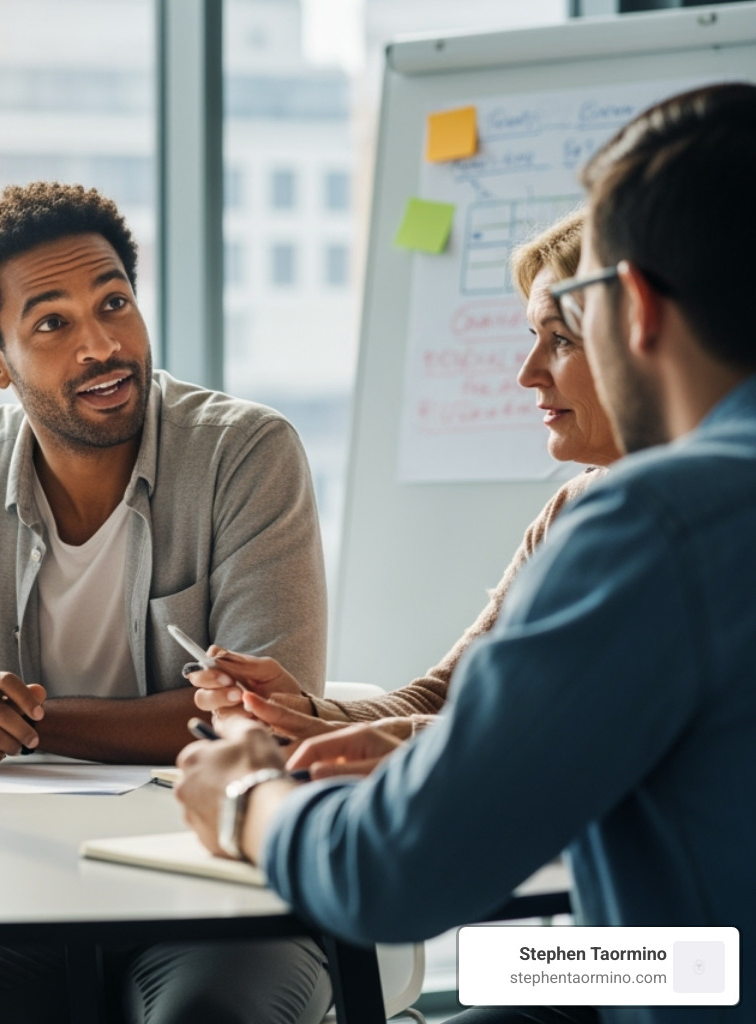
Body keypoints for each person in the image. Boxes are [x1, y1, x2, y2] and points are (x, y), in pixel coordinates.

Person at [173, 82, 756, 1024]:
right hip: (693, 960)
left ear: (636, 308)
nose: (531, 372)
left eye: (571, 321)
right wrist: (409, 745)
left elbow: (386, 873)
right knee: (500, 980)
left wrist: (244, 798)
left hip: (688, 978)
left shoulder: (653, 523)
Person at [0, 182, 332, 1023]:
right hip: (24, 892)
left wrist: (19, 720)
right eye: (53, 323)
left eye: (115, 304)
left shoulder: (246, 452)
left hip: (228, 884)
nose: (102, 345)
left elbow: (263, 722)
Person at [188, 210, 624, 779]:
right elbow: (444, 695)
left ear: (637, 341)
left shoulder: (694, 525)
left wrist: (387, 738)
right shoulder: (571, 509)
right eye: (533, 337)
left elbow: (568, 733)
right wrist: (305, 714)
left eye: (560, 339)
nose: (527, 372)